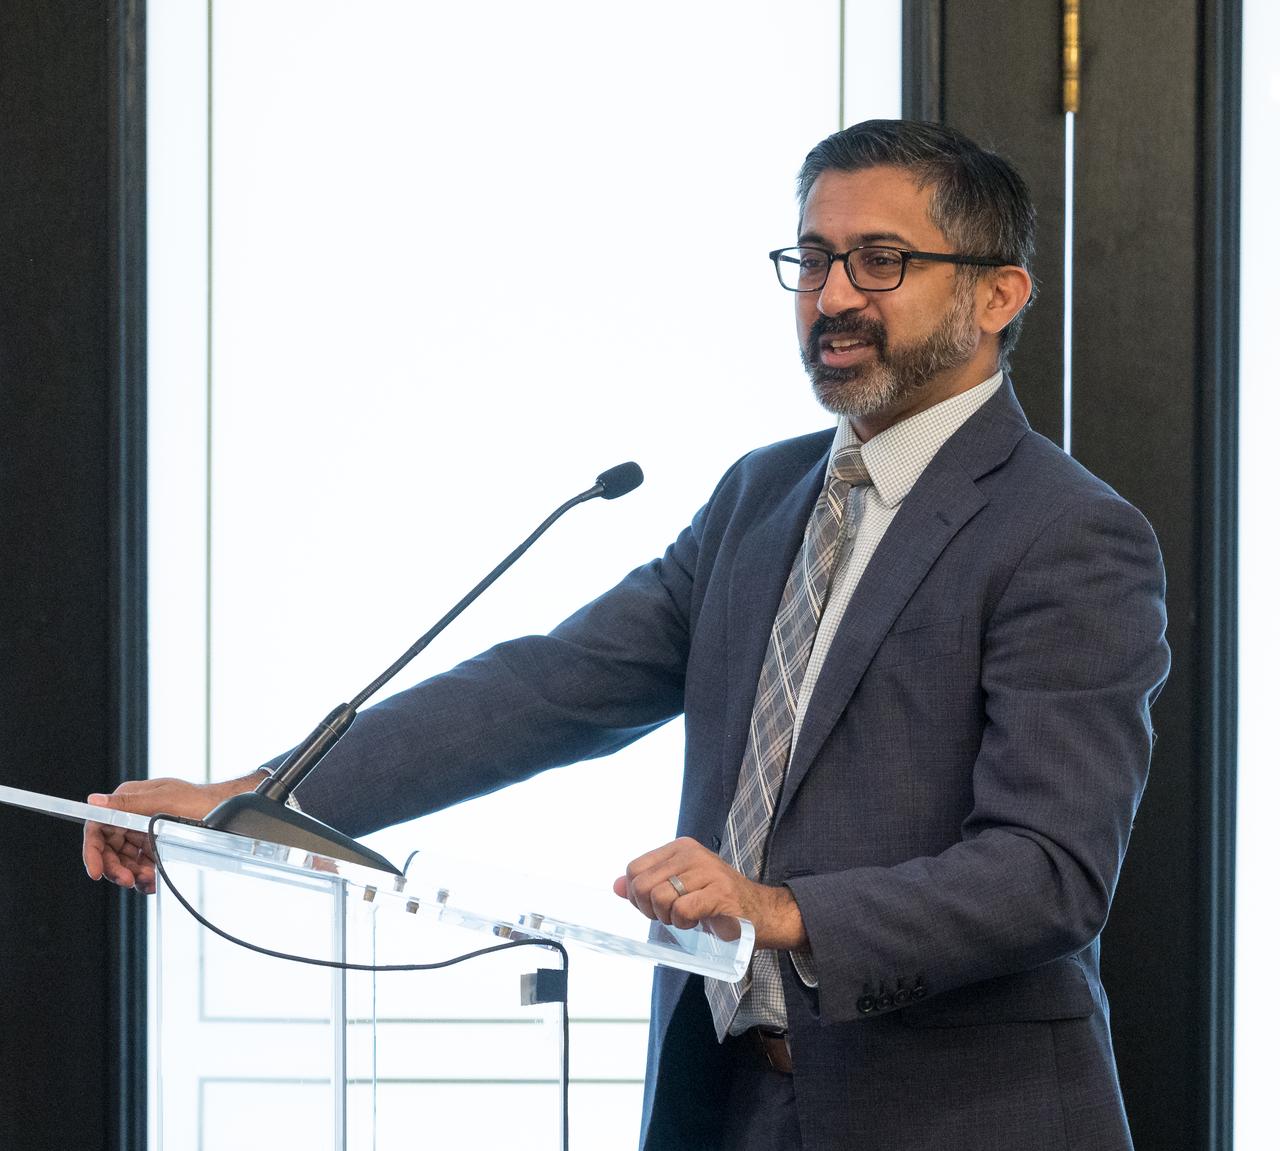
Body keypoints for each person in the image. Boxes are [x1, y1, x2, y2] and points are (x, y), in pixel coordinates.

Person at [84, 120, 1169, 1150]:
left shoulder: (1067, 534)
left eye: (879, 260)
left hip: (957, 1116)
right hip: (729, 1096)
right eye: (813, 258)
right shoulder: (762, 494)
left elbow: (1047, 872)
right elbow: (550, 687)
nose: (832, 297)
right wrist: (258, 801)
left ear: (995, 293)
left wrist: (779, 909)